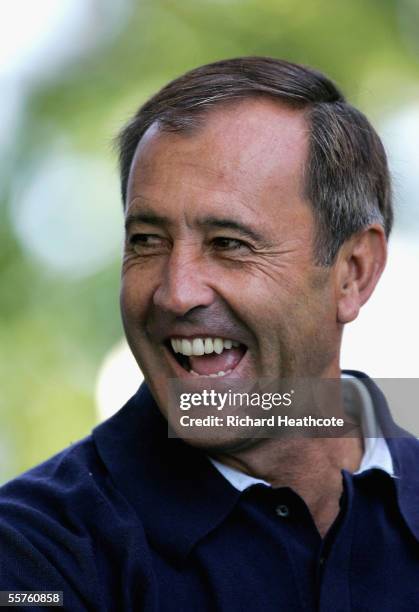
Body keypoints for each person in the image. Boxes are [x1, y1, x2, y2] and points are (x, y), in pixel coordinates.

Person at [0, 56, 418, 611]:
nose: (176, 293)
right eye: (147, 240)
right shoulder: (34, 557)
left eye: (229, 243)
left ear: (354, 273)